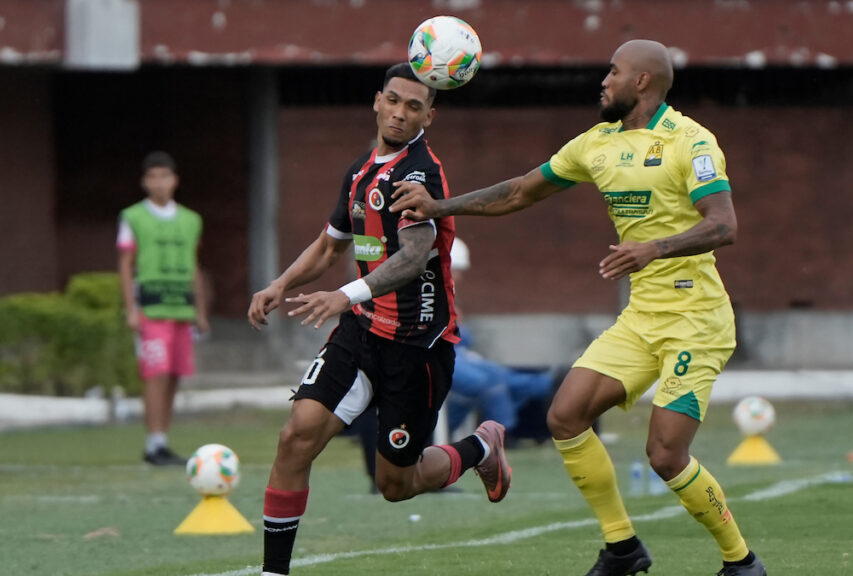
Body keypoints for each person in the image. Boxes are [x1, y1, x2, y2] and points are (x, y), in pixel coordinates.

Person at [392, 39, 766, 576]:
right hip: (643, 318)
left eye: (613, 72)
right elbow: (521, 191)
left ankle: (741, 561)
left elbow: (724, 224)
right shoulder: (596, 143)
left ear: (642, 81)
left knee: (664, 456)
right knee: (564, 416)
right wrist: (439, 206)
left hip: (697, 320)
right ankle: (622, 548)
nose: (603, 81)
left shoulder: (690, 140)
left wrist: (652, 248)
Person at [247, 63, 510, 576]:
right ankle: (272, 572)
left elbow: (414, 256)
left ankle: (481, 446)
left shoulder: (419, 175)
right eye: (394, 100)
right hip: (362, 333)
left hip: (416, 348)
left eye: (414, 106)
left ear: (429, 116)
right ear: (377, 101)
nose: (400, 112)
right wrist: (281, 284)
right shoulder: (361, 170)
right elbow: (330, 245)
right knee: (295, 436)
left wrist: (345, 295)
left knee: (397, 486)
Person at [116, 151, 209, 466]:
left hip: (181, 308)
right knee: (154, 374)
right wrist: (131, 308)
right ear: (145, 182)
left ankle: (163, 440)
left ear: (175, 180)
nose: (159, 183)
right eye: (153, 177)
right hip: (151, 309)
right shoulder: (132, 217)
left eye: (165, 176)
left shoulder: (191, 219)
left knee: (173, 375)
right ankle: (153, 443)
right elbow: (126, 265)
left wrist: (201, 310)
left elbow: (195, 266)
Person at [446, 237, 557, 434]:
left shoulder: (451, 298)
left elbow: (465, 341)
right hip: (441, 359)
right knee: (489, 382)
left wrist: (458, 325)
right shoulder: (428, 297)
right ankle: (501, 436)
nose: (459, 277)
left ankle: (552, 383)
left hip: (460, 357)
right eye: (454, 271)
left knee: (500, 377)